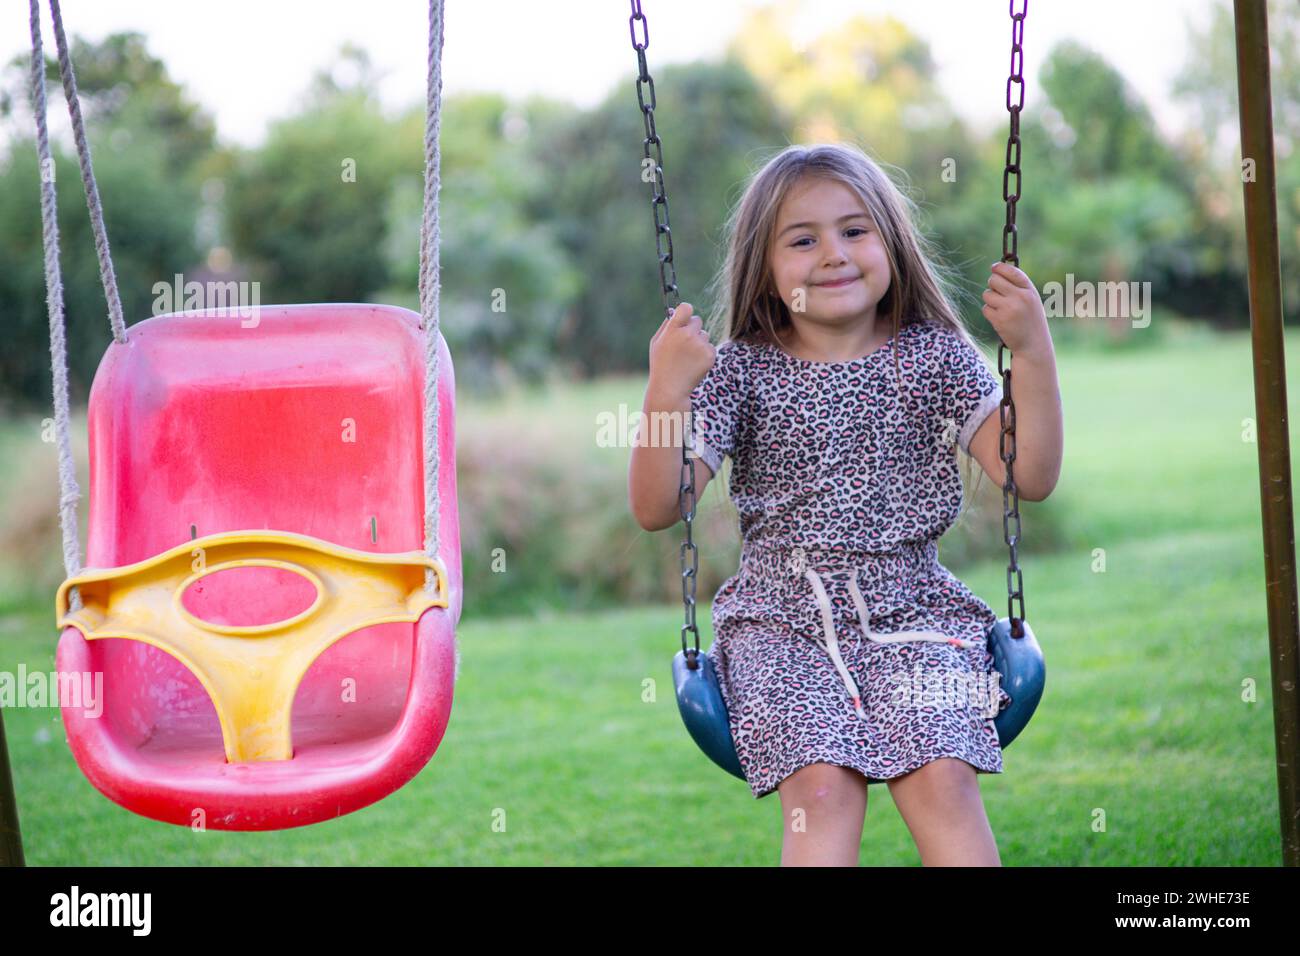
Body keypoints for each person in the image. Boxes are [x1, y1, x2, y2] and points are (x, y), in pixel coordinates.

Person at [627, 143, 1063, 866]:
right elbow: (655, 505)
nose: (833, 253)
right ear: (765, 270)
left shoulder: (935, 357)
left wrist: (1034, 352)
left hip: (915, 615)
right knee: (821, 791)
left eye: (855, 230)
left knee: (943, 779)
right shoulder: (741, 372)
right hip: (780, 626)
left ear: (889, 243)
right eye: (803, 239)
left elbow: (1031, 473)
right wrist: (665, 391)